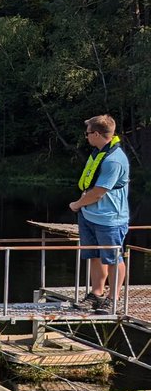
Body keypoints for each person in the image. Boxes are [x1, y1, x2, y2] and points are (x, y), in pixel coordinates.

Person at [69, 115, 130, 313]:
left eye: (87, 134)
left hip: (109, 218)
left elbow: (99, 192)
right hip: (89, 216)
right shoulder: (98, 153)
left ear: (96, 134)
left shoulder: (114, 160)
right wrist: (83, 207)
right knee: (94, 256)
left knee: (113, 258)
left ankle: (114, 298)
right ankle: (96, 294)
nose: (86, 137)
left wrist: (77, 204)